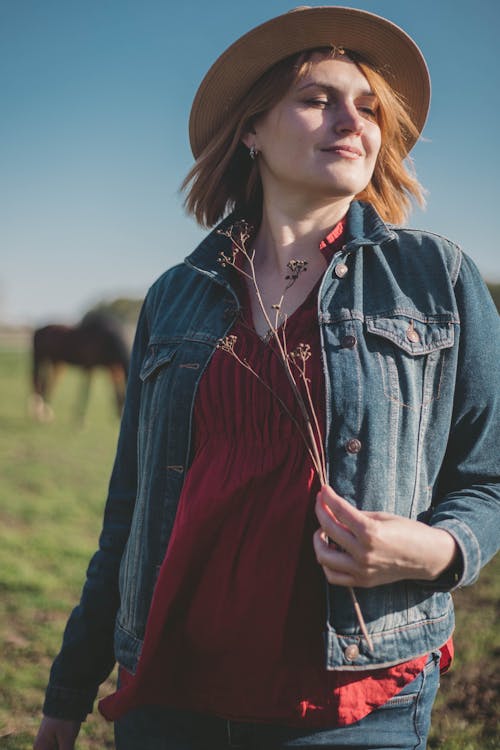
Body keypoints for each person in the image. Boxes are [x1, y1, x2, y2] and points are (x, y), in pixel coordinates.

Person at [34, 6, 500, 750]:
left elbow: (488, 479)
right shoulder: (176, 294)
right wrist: (66, 696)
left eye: (370, 106)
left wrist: (437, 551)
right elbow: (127, 515)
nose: (352, 120)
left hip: (349, 702)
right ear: (251, 130)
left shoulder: (435, 278)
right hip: (168, 691)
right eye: (318, 99)